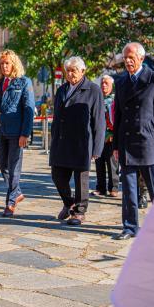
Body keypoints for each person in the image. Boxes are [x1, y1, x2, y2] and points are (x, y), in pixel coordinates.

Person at [112, 42, 154, 240]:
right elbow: (119, 116)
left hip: (148, 141)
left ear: (141, 58)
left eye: (131, 57)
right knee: (129, 189)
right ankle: (130, 227)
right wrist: (115, 145)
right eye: (125, 58)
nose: (128, 61)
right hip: (127, 142)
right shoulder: (121, 82)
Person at [49, 56, 105, 226]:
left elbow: (99, 121)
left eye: (74, 70)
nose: (70, 73)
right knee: (57, 175)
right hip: (61, 142)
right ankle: (69, 203)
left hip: (82, 142)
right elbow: (57, 117)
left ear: (83, 71)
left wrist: (97, 149)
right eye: (68, 70)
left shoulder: (93, 90)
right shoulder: (62, 90)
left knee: (81, 179)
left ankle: (79, 212)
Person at [0, 49, 35, 217]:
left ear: (14, 64)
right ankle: (17, 193)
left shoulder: (24, 82)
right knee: (3, 165)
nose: (4, 66)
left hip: (16, 132)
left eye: (7, 63)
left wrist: (25, 133)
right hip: (0, 130)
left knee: (14, 167)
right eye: (1, 63)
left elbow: (28, 110)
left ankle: (10, 202)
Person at [93, 75, 119, 197]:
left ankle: (113, 188)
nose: (104, 85)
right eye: (102, 83)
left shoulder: (115, 99)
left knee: (112, 164)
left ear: (111, 86)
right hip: (98, 136)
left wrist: (115, 134)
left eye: (106, 83)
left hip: (111, 136)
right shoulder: (97, 98)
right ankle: (100, 188)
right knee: (99, 163)